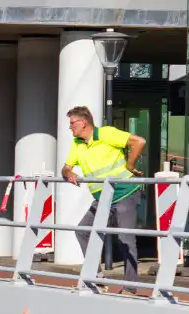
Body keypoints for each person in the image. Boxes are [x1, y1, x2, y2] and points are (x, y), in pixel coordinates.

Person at [62, 106, 146, 291]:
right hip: (102, 198)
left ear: (83, 123)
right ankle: (97, 278)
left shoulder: (107, 134)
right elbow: (66, 167)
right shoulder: (77, 143)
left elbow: (139, 142)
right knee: (82, 230)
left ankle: (130, 288)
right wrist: (68, 172)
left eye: (72, 123)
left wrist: (130, 164)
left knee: (125, 239)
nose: (70, 127)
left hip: (125, 192)